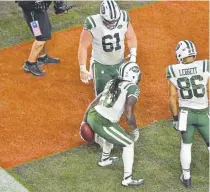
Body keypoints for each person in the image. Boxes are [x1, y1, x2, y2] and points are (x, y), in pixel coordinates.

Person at [82, 61, 144, 187]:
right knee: (129, 143)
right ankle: (127, 179)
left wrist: (84, 120)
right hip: (103, 121)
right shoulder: (132, 87)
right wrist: (134, 128)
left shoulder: (112, 82)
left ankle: (104, 159)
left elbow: (94, 102)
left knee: (113, 129)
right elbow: (128, 111)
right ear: (132, 75)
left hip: (93, 114)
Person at [166, 40, 209, 188]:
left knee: (186, 146)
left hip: (185, 114)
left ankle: (187, 179)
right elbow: (209, 89)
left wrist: (175, 118)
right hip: (203, 113)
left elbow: (172, 98)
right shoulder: (204, 65)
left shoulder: (173, 70)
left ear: (179, 54)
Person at [78, 0, 137, 95]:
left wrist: (133, 55)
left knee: (120, 94)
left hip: (119, 63)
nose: (113, 23)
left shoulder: (124, 17)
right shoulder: (93, 23)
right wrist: (82, 69)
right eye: (110, 21)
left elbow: (131, 37)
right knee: (103, 96)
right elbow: (83, 46)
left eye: (115, 20)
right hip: (101, 65)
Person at [17, 1, 72, 76]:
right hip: (33, 10)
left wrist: (58, 6)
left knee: (45, 31)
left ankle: (43, 57)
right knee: (41, 37)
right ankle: (30, 64)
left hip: (39, 9)